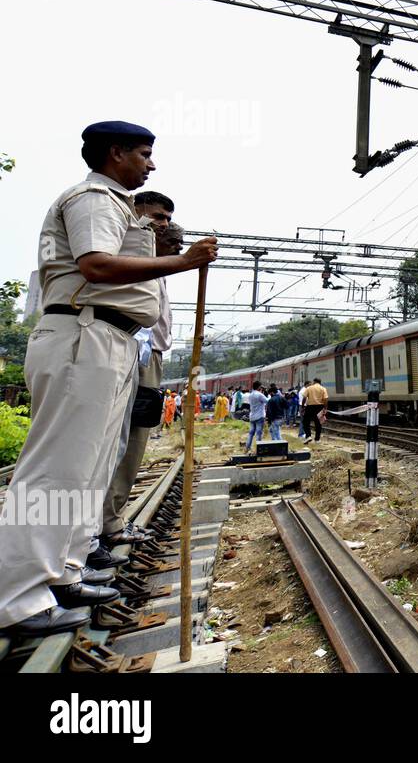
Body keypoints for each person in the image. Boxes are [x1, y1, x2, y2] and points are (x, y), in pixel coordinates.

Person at [0, 120, 217, 637]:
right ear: (115, 153)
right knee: (58, 467)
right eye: (143, 153)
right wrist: (181, 263)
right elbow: (95, 265)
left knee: (90, 465)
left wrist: (158, 245)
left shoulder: (117, 205)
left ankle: (65, 569)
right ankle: (16, 595)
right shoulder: (94, 197)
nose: (151, 164)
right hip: (83, 335)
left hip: (108, 340)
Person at [99, 211, 182, 550]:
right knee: (118, 439)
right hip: (130, 351)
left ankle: (109, 519)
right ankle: (102, 522)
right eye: (167, 235)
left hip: (148, 358)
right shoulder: (131, 265)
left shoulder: (156, 275)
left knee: (132, 438)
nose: (176, 248)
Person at [302, 377, 329, 443]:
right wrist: (325, 408)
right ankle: (317, 439)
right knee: (318, 423)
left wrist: (303, 407)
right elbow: (325, 399)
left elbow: (304, 398)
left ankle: (308, 436)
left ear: (314, 382)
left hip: (310, 407)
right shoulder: (323, 388)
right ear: (320, 382)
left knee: (306, 422)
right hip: (319, 407)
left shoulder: (309, 388)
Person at [244, 381, 268, 450]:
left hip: (252, 416)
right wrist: (266, 394)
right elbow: (267, 401)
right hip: (260, 416)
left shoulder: (251, 395)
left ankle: (247, 447)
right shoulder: (259, 394)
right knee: (258, 433)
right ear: (259, 387)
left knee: (251, 433)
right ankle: (259, 448)